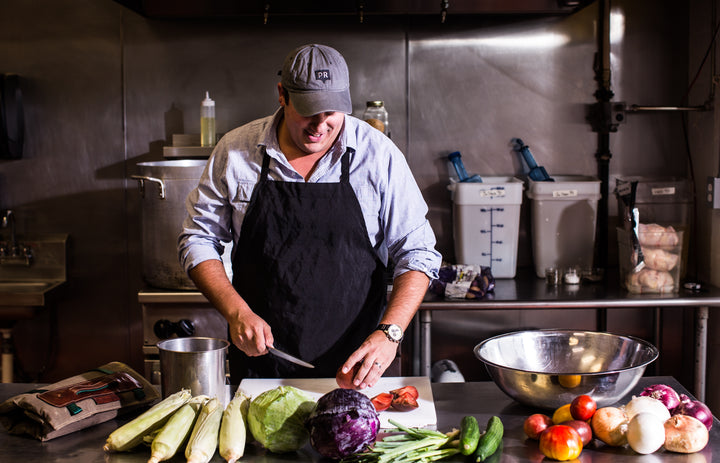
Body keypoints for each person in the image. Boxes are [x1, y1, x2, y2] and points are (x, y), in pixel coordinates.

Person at [178, 44, 441, 389]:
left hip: (360, 366)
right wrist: (236, 312)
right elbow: (198, 239)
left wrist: (389, 333)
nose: (320, 125)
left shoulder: (377, 155)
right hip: (263, 365)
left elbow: (418, 251)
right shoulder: (235, 151)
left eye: (331, 111)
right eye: (309, 111)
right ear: (282, 96)